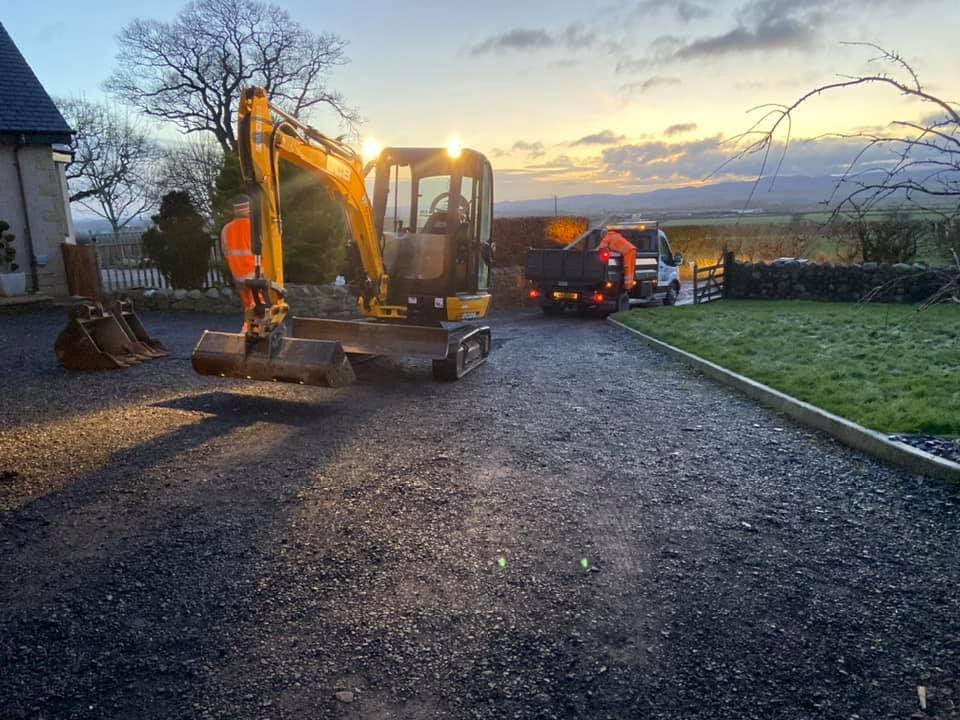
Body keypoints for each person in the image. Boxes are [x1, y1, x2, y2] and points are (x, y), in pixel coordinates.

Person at [220, 196, 256, 320]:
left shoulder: (226, 229)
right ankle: (257, 330)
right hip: (255, 273)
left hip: (238, 274)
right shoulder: (254, 227)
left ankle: (248, 328)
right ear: (249, 209)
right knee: (258, 305)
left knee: (247, 305)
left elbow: (226, 252)